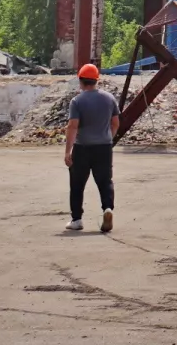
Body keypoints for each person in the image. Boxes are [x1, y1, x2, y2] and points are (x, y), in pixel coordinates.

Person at [64, 64, 120, 232]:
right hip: (104, 147)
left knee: (77, 184)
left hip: (82, 148)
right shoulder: (109, 99)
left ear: (81, 81)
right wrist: (108, 137)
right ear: (97, 80)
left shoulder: (77, 101)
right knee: (105, 181)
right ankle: (107, 208)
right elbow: (116, 123)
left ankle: (77, 220)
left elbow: (73, 126)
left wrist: (68, 151)